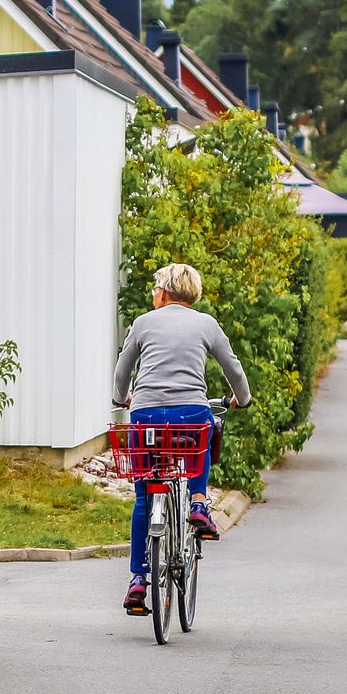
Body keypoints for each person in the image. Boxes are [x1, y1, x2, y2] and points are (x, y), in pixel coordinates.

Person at [112, 263, 252, 615]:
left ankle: (138, 580)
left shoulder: (144, 322)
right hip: (190, 414)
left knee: (144, 497)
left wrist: (121, 397)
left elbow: (122, 369)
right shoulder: (207, 324)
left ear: (164, 291)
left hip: (145, 416)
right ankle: (198, 503)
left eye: (154, 288)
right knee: (204, 433)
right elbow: (232, 367)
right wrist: (242, 399)